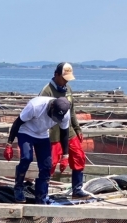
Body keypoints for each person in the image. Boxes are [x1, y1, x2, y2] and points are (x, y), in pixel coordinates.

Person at [4, 97, 71, 204]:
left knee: (47, 166)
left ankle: (41, 196)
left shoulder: (65, 114)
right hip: (26, 131)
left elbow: (64, 133)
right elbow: (17, 122)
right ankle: (18, 188)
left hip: (43, 135)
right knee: (26, 158)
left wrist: (65, 155)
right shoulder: (35, 106)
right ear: (52, 106)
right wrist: (9, 143)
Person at [40, 62, 87, 199]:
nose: (66, 81)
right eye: (64, 77)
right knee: (50, 164)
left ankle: (77, 189)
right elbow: (41, 115)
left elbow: (71, 111)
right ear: (56, 75)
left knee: (78, 156)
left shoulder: (68, 89)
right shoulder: (47, 91)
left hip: (69, 132)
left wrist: (77, 128)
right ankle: (44, 193)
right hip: (53, 134)